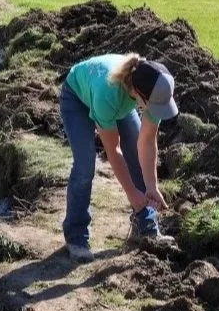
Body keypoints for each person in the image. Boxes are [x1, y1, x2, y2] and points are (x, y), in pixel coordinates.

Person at [59, 52, 178, 260]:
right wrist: (132, 193)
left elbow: (147, 141)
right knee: (85, 164)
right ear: (138, 94)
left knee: (136, 151)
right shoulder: (109, 94)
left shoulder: (151, 90)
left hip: (117, 99)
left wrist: (151, 186)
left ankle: (147, 228)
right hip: (77, 97)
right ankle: (76, 237)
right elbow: (113, 150)